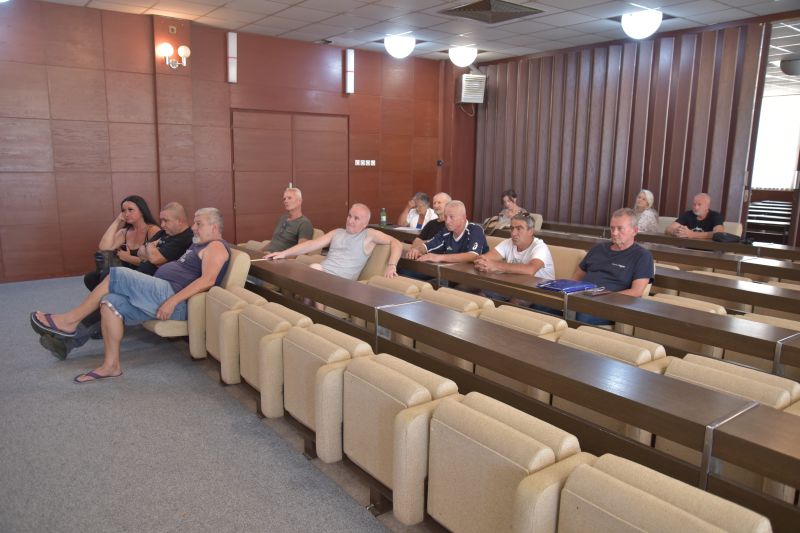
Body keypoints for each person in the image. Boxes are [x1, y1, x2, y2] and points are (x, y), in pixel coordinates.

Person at [31, 208, 232, 382]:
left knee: (117, 275)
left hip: (174, 297)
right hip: (163, 292)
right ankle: (111, 366)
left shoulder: (216, 246)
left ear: (214, 227)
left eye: (199, 224)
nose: (194, 227)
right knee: (110, 303)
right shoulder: (199, 244)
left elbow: (208, 280)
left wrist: (173, 300)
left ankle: (69, 321)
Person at [38, 203, 196, 360]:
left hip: (152, 285)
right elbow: (141, 252)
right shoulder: (164, 233)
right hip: (141, 278)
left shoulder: (185, 238)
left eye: (166, 221)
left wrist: (150, 250)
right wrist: (149, 250)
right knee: (107, 295)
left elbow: (154, 258)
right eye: (161, 220)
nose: (162, 224)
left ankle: (68, 332)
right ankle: (68, 338)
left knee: (111, 288)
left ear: (180, 221)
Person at [264, 203, 402, 280]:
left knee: (314, 269)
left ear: (365, 223)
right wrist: (284, 253)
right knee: (301, 270)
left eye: (356, 218)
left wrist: (392, 266)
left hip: (341, 282)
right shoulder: (337, 232)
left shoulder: (369, 235)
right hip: (323, 274)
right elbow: (311, 244)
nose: (350, 221)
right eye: (349, 216)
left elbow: (396, 243)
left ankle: (316, 314)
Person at [572, 207, 654, 325]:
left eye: (620, 228)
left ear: (635, 230)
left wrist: (604, 297)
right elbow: (576, 277)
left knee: (582, 314)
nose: (614, 233)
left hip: (610, 305)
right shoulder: (598, 248)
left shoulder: (642, 256)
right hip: (581, 298)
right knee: (546, 306)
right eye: (612, 228)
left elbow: (637, 292)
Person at [84, 195, 161, 290]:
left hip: (143, 272)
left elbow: (155, 262)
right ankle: (106, 297)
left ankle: (109, 296)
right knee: (90, 278)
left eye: (130, 210)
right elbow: (104, 247)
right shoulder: (125, 232)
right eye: (123, 210)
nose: (126, 214)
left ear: (142, 210)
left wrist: (128, 258)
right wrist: (117, 221)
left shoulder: (153, 230)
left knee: (108, 274)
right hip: (126, 269)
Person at [474, 212, 555, 279]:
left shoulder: (540, 247)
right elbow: (483, 259)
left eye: (519, 229)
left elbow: (530, 270)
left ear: (530, 231)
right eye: (512, 228)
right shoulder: (508, 242)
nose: (513, 233)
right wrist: (482, 262)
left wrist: (496, 266)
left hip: (540, 291)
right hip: (515, 286)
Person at [405, 200, 489, 264]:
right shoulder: (446, 231)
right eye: (445, 217)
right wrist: (417, 250)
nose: (447, 221)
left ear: (463, 217)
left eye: (451, 217)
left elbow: (473, 256)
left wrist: (439, 257)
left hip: (474, 276)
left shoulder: (475, 230)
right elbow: (428, 246)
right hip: (451, 274)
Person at [261, 187, 314, 253]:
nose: (285, 201)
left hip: (279, 257)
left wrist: (277, 256)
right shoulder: (283, 218)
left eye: (289, 198)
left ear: (299, 201)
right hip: (266, 254)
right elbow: (274, 242)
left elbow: (301, 251)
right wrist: (259, 252)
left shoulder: (304, 223)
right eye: (284, 199)